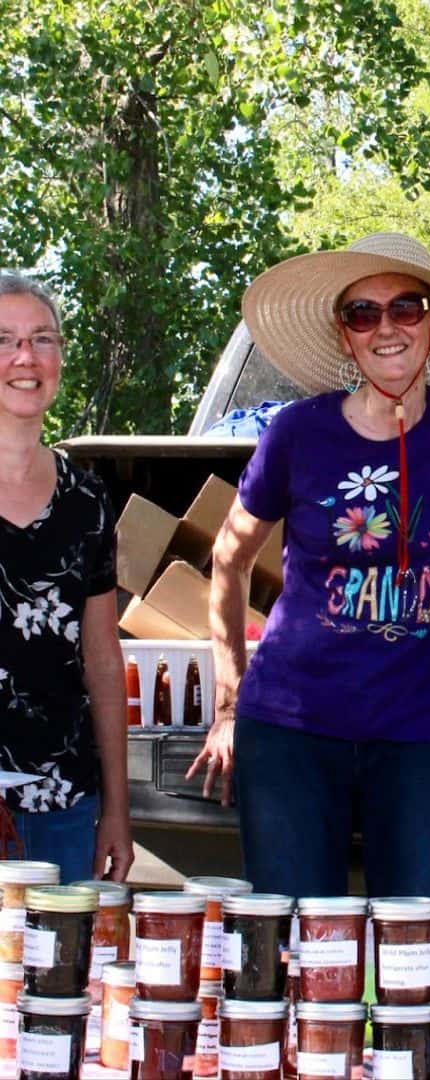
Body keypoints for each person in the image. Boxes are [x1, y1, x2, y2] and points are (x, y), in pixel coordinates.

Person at [187, 232, 430, 902]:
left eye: (406, 308)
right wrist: (230, 704)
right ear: (345, 337)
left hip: (425, 736)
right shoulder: (295, 432)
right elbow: (228, 563)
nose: (386, 328)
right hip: (291, 730)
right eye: (362, 313)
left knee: (422, 946)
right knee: (293, 945)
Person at [0, 272, 134, 882]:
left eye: (43, 339)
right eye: (5, 340)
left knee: (64, 977)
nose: (26, 357)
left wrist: (118, 809)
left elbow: (103, 660)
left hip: (65, 804)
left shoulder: (87, 498)